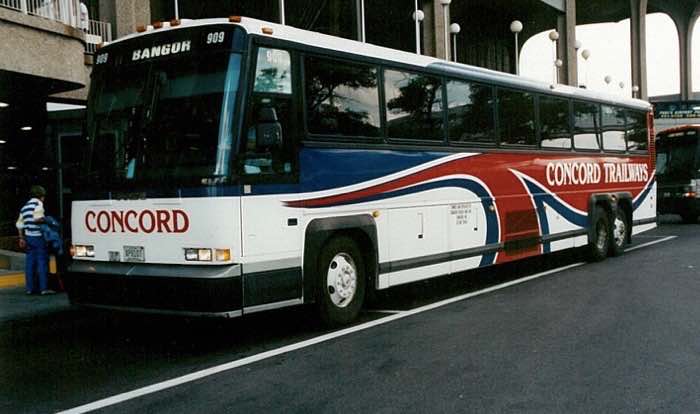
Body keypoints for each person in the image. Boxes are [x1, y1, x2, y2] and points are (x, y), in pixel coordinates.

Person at [16, 185, 54, 295]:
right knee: (42, 262)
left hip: (28, 237)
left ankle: (30, 288)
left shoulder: (24, 207)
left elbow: (19, 224)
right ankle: (44, 288)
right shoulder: (38, 204)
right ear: (41, 196)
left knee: (30, 263)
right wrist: (48, 221)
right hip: (38, 237)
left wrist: (21, 238)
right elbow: (37, 219)